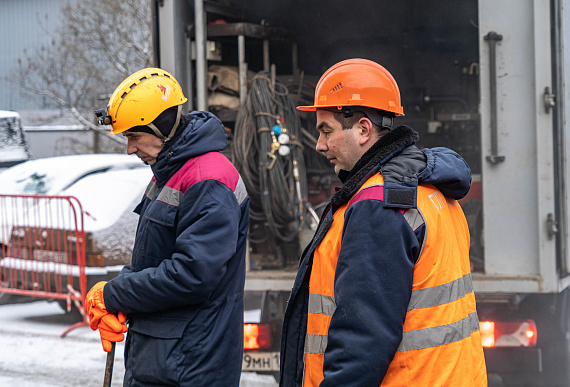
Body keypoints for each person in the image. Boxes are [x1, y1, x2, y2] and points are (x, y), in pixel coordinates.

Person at [279, 58, 487, 386]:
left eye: (326, 130)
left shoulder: (378, 206)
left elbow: (360, 342)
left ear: (363, 129)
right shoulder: (432, 188)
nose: (319, 145)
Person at [85, 68, 249, 386]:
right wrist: (119, 303)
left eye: (134, 136)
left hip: (189, 364)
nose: (129, 148)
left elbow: (192, 275)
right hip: (163, 356)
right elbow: (151, 258)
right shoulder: (168, 174)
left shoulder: (207, 179)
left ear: (159, 127)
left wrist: (115, 294)